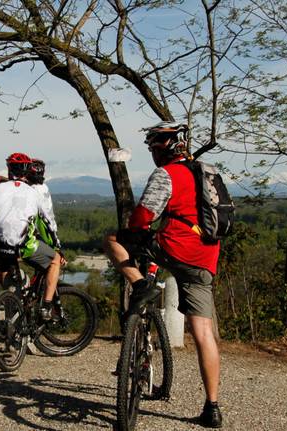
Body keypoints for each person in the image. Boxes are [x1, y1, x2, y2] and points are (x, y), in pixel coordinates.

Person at [103, 122, 223, 428]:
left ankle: (142, 284)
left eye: (153, 148)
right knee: (203, 333)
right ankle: (212, 407)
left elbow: (144, 215)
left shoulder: (167, 174)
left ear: (163, 149)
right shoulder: (209, 171)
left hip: (175, 247)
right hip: (206, 256)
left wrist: (136, 229)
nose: (153, 154)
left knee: (113, 241)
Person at [0, 153, 65, 321]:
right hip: (23, 246)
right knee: (55, 260)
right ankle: (46, 308)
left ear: (8, 169)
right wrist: (56, 247)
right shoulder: (34, 193)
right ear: (28, 171)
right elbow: (47, 224)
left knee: (9, 276)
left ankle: (13, 309)